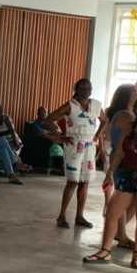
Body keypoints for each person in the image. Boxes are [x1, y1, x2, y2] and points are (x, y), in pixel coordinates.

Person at [83, 94, 137, 269]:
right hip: (127, 175)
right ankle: (105, 251)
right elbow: (120, 153)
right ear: (136, 109)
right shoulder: (128, 128)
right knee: (113, 212)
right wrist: (110, 172)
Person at [45, 79, 105, 228]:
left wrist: (97, 136)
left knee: (85, 182)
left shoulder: (96, 105)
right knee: (72, 181)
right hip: (74, 146)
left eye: (89, 88)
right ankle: (62, 216)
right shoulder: (70, 105)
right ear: (76, 89)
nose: (86, 90)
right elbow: (49, 119)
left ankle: (79, 216)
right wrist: (60, 135)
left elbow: (105, 120)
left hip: (90, 147)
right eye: (82, 88)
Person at [99, 83, 137, 248]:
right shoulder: (125, 115)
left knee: (130, 198)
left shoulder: (126, 113)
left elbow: (107, 137)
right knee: (125, 197)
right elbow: (124, 138)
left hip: (122, 158)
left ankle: (119, 231)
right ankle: (121, 234)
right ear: (128, 96)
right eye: (135, 92)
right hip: (123, 159)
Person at [21, 106, 62, 171]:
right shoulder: (35, 124)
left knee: (62, 141)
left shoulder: (50, 122)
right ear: (38, 114)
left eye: (45, 113)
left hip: (53, 139)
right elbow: (42, 133)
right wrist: (51, 133)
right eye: (41, 113)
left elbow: (59, 131)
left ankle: (60, 167)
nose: (44, 115)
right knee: (47, 137)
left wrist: (51, 131)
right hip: (42, 141)